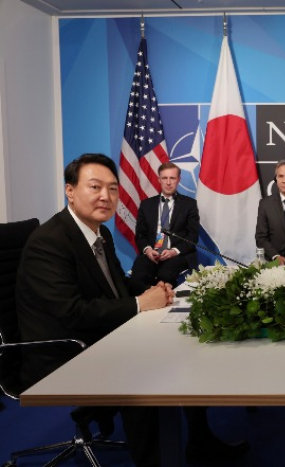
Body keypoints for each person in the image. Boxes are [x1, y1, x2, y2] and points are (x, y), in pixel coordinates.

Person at [16, 154, 248, 466]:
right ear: (70, 191)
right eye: (95, 187)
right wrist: (140, 303)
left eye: (113, 189)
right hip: (63, 352)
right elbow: (72, 313)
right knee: (148, 374)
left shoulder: (101, 233)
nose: (106, 196)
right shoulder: (49, 242)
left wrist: (153, 293)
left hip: (97, 334)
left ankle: (198, 441)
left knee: (184, 349)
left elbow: (115, 289)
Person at [130, 162, 200, 294]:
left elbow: (193, 236)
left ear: (178, 180)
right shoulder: (146, 205)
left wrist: (174, 251)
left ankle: (163, 301)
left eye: (172, 178)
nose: (168, 182)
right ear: (159, 180)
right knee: (138, 279)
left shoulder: (189, 204)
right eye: (164, 178)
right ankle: (145, 305)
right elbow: (140, 235)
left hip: (176, 255)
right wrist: (148, 249)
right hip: (151, 254)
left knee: (165, 277)